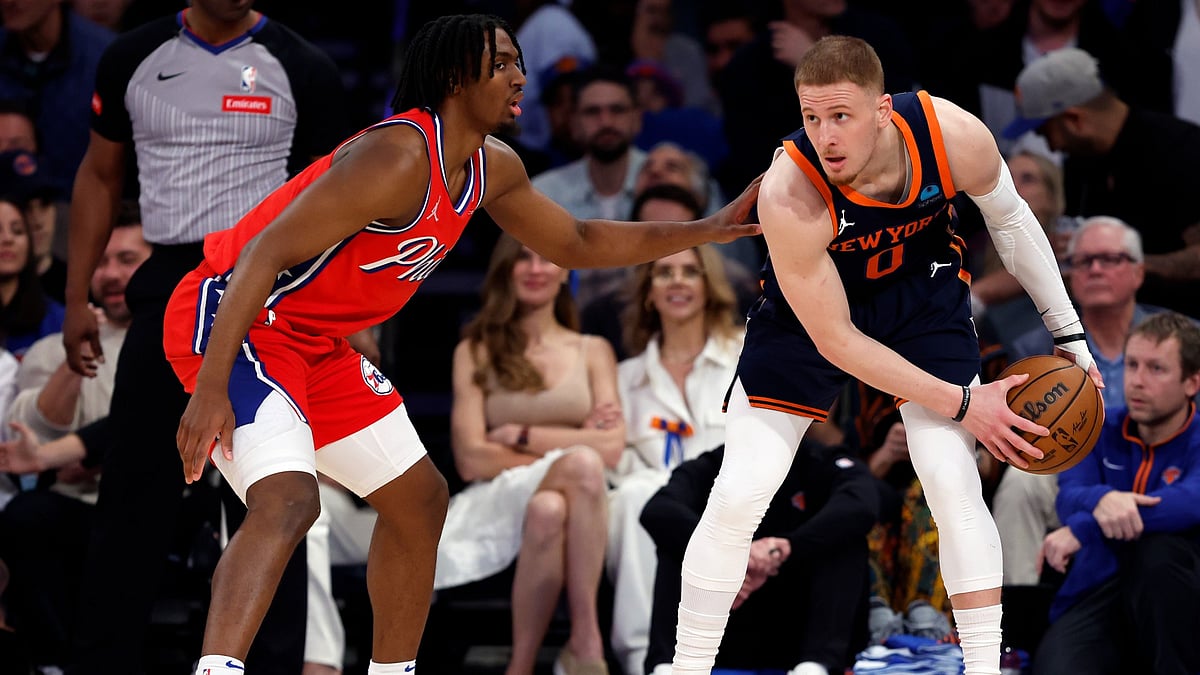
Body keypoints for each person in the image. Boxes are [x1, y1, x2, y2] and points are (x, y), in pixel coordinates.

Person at [161, 13, 759, 675]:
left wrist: (707, 228)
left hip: (314, 341)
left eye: (518, 62)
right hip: (238, 319)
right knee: (291, 499)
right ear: (453, 77)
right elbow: (263, 253)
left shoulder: (490, 167)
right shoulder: (396, 157)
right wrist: (211, 386)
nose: (519, 77)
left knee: (419, 499)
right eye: (501, 62)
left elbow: (579, 243)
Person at [669, 36, 1100, 675]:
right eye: (811, 117)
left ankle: (981, 667)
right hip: (812, 317)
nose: (825, 135)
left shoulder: (951, 134)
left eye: (840, 116)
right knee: (741, 490)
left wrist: (1069, 336)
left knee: (952, 482)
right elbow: (838, 342)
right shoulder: (790, 189)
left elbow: (1011, 224)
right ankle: (686, 666)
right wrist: (962, 403)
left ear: (882, 110)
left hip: (921, 296)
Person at [61, 2, 349, 671]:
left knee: (272, 496)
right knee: (131, 499)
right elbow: (99, 176)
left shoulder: (303, 67)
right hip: (166, 289)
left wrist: (336, 314)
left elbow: (342, 201)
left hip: (266, 296)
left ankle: (269, 665)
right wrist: (77, 296)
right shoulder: (131, 55)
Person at [439, 234, 622, 675]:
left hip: (579, 500)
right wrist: (568, 447)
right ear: (506, 271)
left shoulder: (593, 350)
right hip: (495, 496)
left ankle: (519, 667)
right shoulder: (475, 351)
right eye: (523, 258)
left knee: (549, 507)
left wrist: (520, 433)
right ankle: (585, 638)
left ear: (565, 273)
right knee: (580, 465)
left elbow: (613, 447)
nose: (536, 268)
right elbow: (471, 459)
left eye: (547, 258)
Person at [992, 215, 1169, 589]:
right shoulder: (1033, 349)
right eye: (1083, 261)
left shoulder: (1178, 338)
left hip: (1161, 466)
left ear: (1138, 273)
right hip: (1072, 465)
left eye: (1110, 259)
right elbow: (1018, 430)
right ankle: (1018, 624)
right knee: (1019, 482)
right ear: (1069, 277)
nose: (1095, 269)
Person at [1034, 312, 1200, 675]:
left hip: (1179, 599)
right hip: (1100, 587)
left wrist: (1085, 527)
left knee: (1159, 553)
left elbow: (1190, 504)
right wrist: (1100, 501)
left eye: (1156, 369)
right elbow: (1069, 495)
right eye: (1132, 365)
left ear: (1192, 382)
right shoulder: (1097, 425)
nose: (1137, 382)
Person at [607, 242, 743, 674]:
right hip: (652, 510)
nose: (678, 282)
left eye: (690, 271)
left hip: (729, 497)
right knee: (636, 497)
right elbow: (615, 461)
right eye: (664, 273)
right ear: (649, 292)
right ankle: (646, 659)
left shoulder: (747, 355)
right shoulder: (624, 378)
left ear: (709, 286)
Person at [642, 440, 877, 675]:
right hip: (730, 609)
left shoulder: (822, 459)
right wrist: (734, 555)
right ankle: (667, 666)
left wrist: (787, 547)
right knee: (676, 544)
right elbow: (658, 509)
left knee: (846, 539)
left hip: (800, 618)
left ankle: (815, 667)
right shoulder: (716, 463)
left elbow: (863, 504)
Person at [1003, 47, 1200, 318]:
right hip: (1102, 324)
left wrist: (1120, 260)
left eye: (1045, 131)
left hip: (1183, 327)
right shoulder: (1080, 163)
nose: (1050, 145)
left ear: (1073, 119)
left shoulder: (1181, 150)